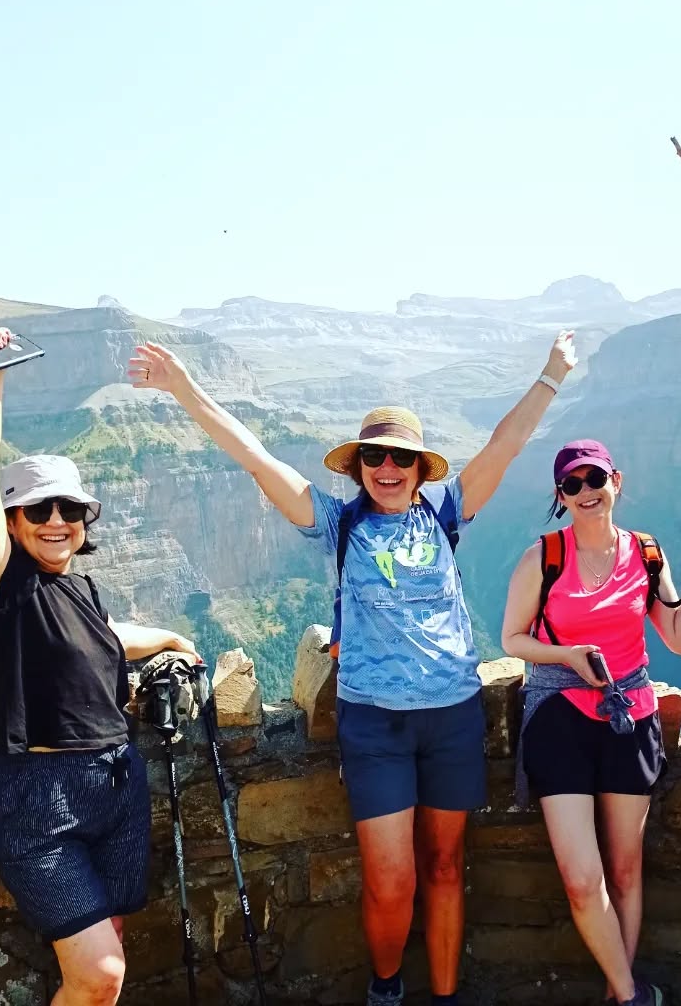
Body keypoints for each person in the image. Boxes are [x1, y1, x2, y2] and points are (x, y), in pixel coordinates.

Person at [128, 330, 578, 1006]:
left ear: (421, 467)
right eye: (374, 457)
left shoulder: (447, 513)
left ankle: (447, 997)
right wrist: (185, 389)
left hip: (454, 715)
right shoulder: (339, 524)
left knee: (447, 868)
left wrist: (551, 374)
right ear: (358, 466)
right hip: (375, 726)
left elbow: (505, 446)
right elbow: (254, 459)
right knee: (391, 879)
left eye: (401, 457)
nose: (387, 468)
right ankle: (387, 990)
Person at [0, 325, 201, 1006]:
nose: (56, 520)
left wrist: (173, 638)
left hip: (116, 786)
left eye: (70, 508)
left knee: (105, 952)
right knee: (101, 975)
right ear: (12, 520)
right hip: (40, 797)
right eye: (38, 509)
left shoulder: (78, 585)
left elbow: (102, 636)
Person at [500, 439, 681, 1006]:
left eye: (593, 478)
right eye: (571, 485)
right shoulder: (543, 557)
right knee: (580, 877)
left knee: (624, 872)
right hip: (559, 721)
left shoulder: (646, 553)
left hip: (630, 720)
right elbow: (511, 638)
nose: (585, 492)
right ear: (560, 496)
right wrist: (569, 655)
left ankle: (614, 993)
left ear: (616, 480)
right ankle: (630, 994)